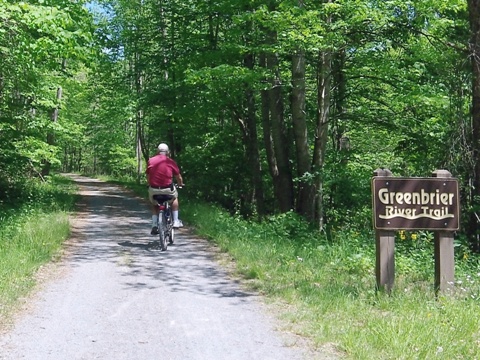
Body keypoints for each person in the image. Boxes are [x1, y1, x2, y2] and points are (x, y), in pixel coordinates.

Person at [146, 143, 184, 235]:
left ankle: (154, 224)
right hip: (167, 189)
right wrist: (180, 184)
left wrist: (148, 184)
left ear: (157, 151)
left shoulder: (151, 161)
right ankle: (175, 220)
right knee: (174, 198)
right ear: (167, 152)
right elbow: (178, 177)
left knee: (154, 203)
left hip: (154, 189)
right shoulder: (170, 161)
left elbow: (148, 175)